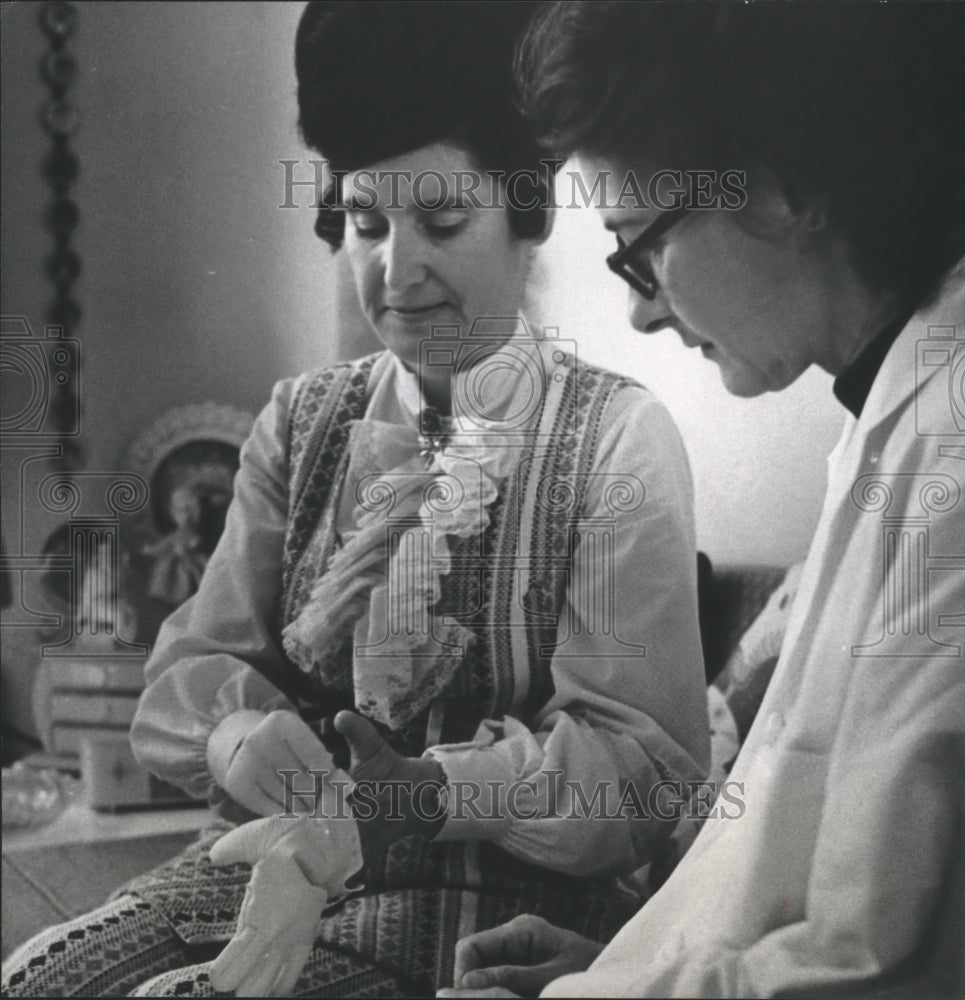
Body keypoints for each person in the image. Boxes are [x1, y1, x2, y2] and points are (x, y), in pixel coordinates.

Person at [1, 3, 710, 996]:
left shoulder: (615, 438)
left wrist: (427, 794)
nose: (395, 270)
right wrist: (234, 735)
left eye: (442, 222)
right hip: (267, 864)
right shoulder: (301, 422)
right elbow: (185, 675)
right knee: (37, 979)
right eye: (365, 224)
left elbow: (641, 772)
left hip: (502, 903)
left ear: (529, 217)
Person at [441, 3, 965, 997]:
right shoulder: (896, 412)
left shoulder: (955, 458)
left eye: (638, 248)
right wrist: (624, 963)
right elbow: (799, 871)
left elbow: (888, 966)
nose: (641, 310)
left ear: (781, 191)